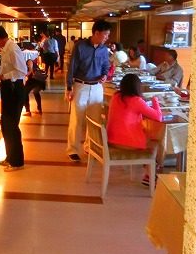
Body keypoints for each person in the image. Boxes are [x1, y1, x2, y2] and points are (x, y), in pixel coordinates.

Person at [66, 20, 111, 162]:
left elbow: (106, 65)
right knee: (76, 119)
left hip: (97, 87)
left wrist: (105, 75)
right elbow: (72, 67)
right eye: (105, 34)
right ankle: (72, 149)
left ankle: (89, 146)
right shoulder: (80, 47)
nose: (107, 37)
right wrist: (69, 87)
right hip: (81, 86)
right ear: (96, 33)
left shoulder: (104, 49)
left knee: (95, 120)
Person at [106, 73, 162, 185]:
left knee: (147, 134)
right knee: (156, 140)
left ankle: (149, 170)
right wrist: (155, 100)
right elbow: (158, 117)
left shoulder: (116, 96)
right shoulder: (136, 101)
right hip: (126, 143)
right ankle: (150, 172)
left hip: (111, 139)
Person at [0, 25, 28, 172]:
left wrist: (3, 77)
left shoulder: (12, 48)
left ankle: (17, 162)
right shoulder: (5, 48)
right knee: (5, 124)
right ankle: (10, 157)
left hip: (15, 90)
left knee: (12, 126)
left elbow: (21, 71)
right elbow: (8, 70)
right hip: (8, 88)